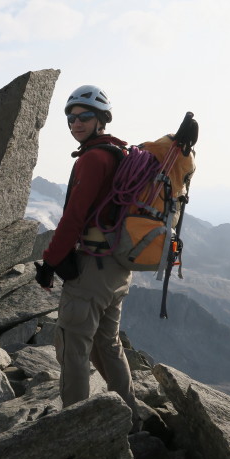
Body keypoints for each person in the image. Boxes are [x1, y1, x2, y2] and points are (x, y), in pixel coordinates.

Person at [34, 84, 141, 432]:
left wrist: (50, 263)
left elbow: (73, 218)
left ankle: (75, 430)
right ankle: (129, 414)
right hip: (118, 270)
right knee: (107, 343)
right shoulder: (118, 153)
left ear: (100, 120)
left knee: (73, 349)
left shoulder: (93, 159)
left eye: (84, 117)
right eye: (71, 118)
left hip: (93, 270)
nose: (75, 123)